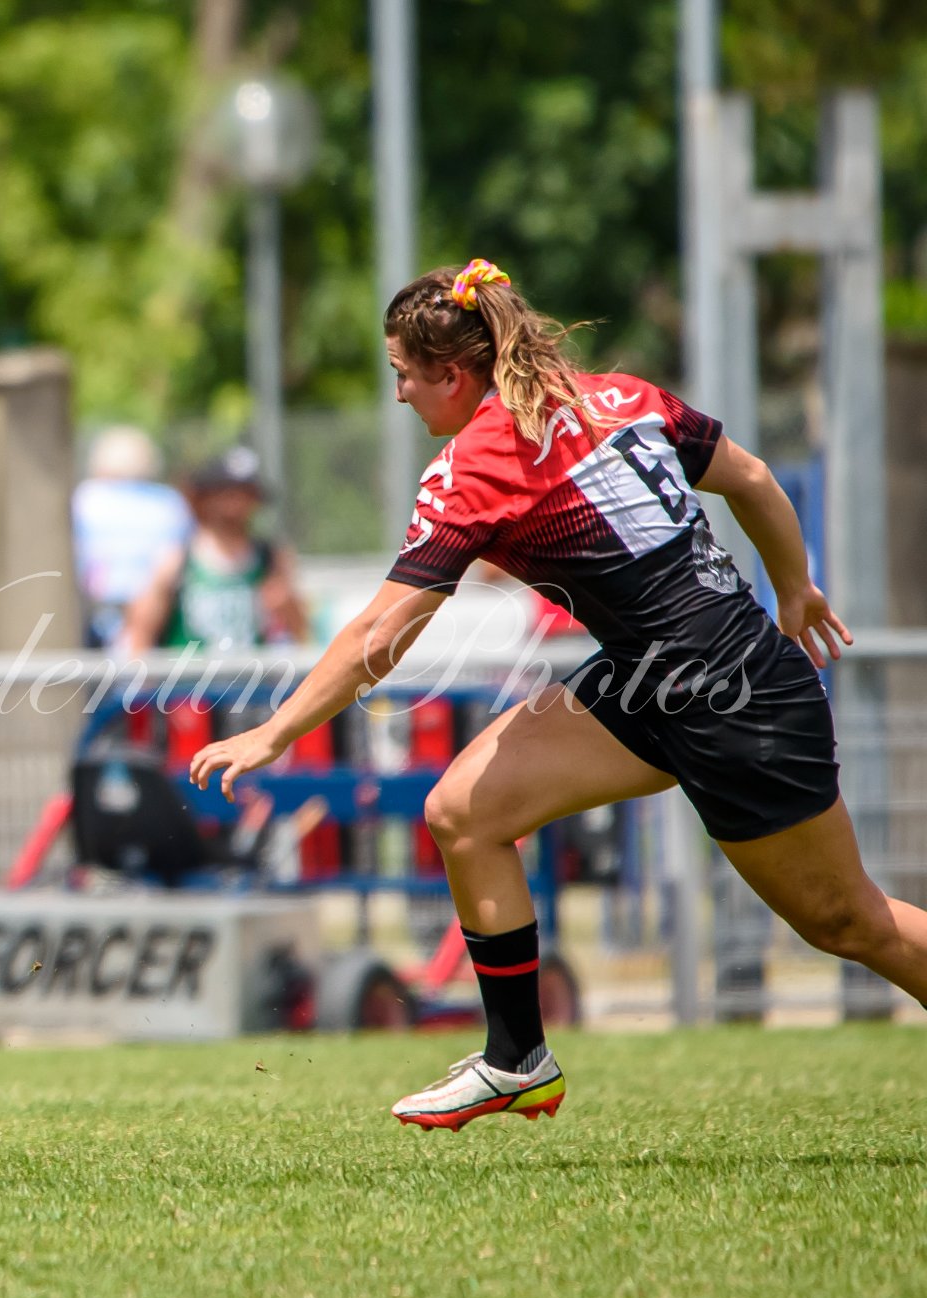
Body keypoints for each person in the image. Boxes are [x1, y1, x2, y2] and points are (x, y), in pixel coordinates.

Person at [189, 258, 927, 1130]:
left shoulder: (476, 465)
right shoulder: (621, 395)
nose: (398, 397)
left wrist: (271, 733)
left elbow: (378, 636)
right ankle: (517, 1060)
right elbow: (755, 479)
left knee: (850, 923)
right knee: (463, 810)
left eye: (402, 376)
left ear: (453, 376)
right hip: (658, 675)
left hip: (727, 693)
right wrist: (793, 587)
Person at [114, 446, 308, 656]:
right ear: (205, 497)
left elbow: (301, 633)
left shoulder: (271, 559)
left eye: (245, 494)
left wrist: (287, 605)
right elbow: (141, 630)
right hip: (189, 685)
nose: (236, 504)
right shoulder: (178, 559)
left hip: (252, 683)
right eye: (227, 493)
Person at [72, 425, 194, 647]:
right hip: (153, 611)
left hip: (95, 606)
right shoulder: (168, 502)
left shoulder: (85, 498)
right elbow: (175, 559)